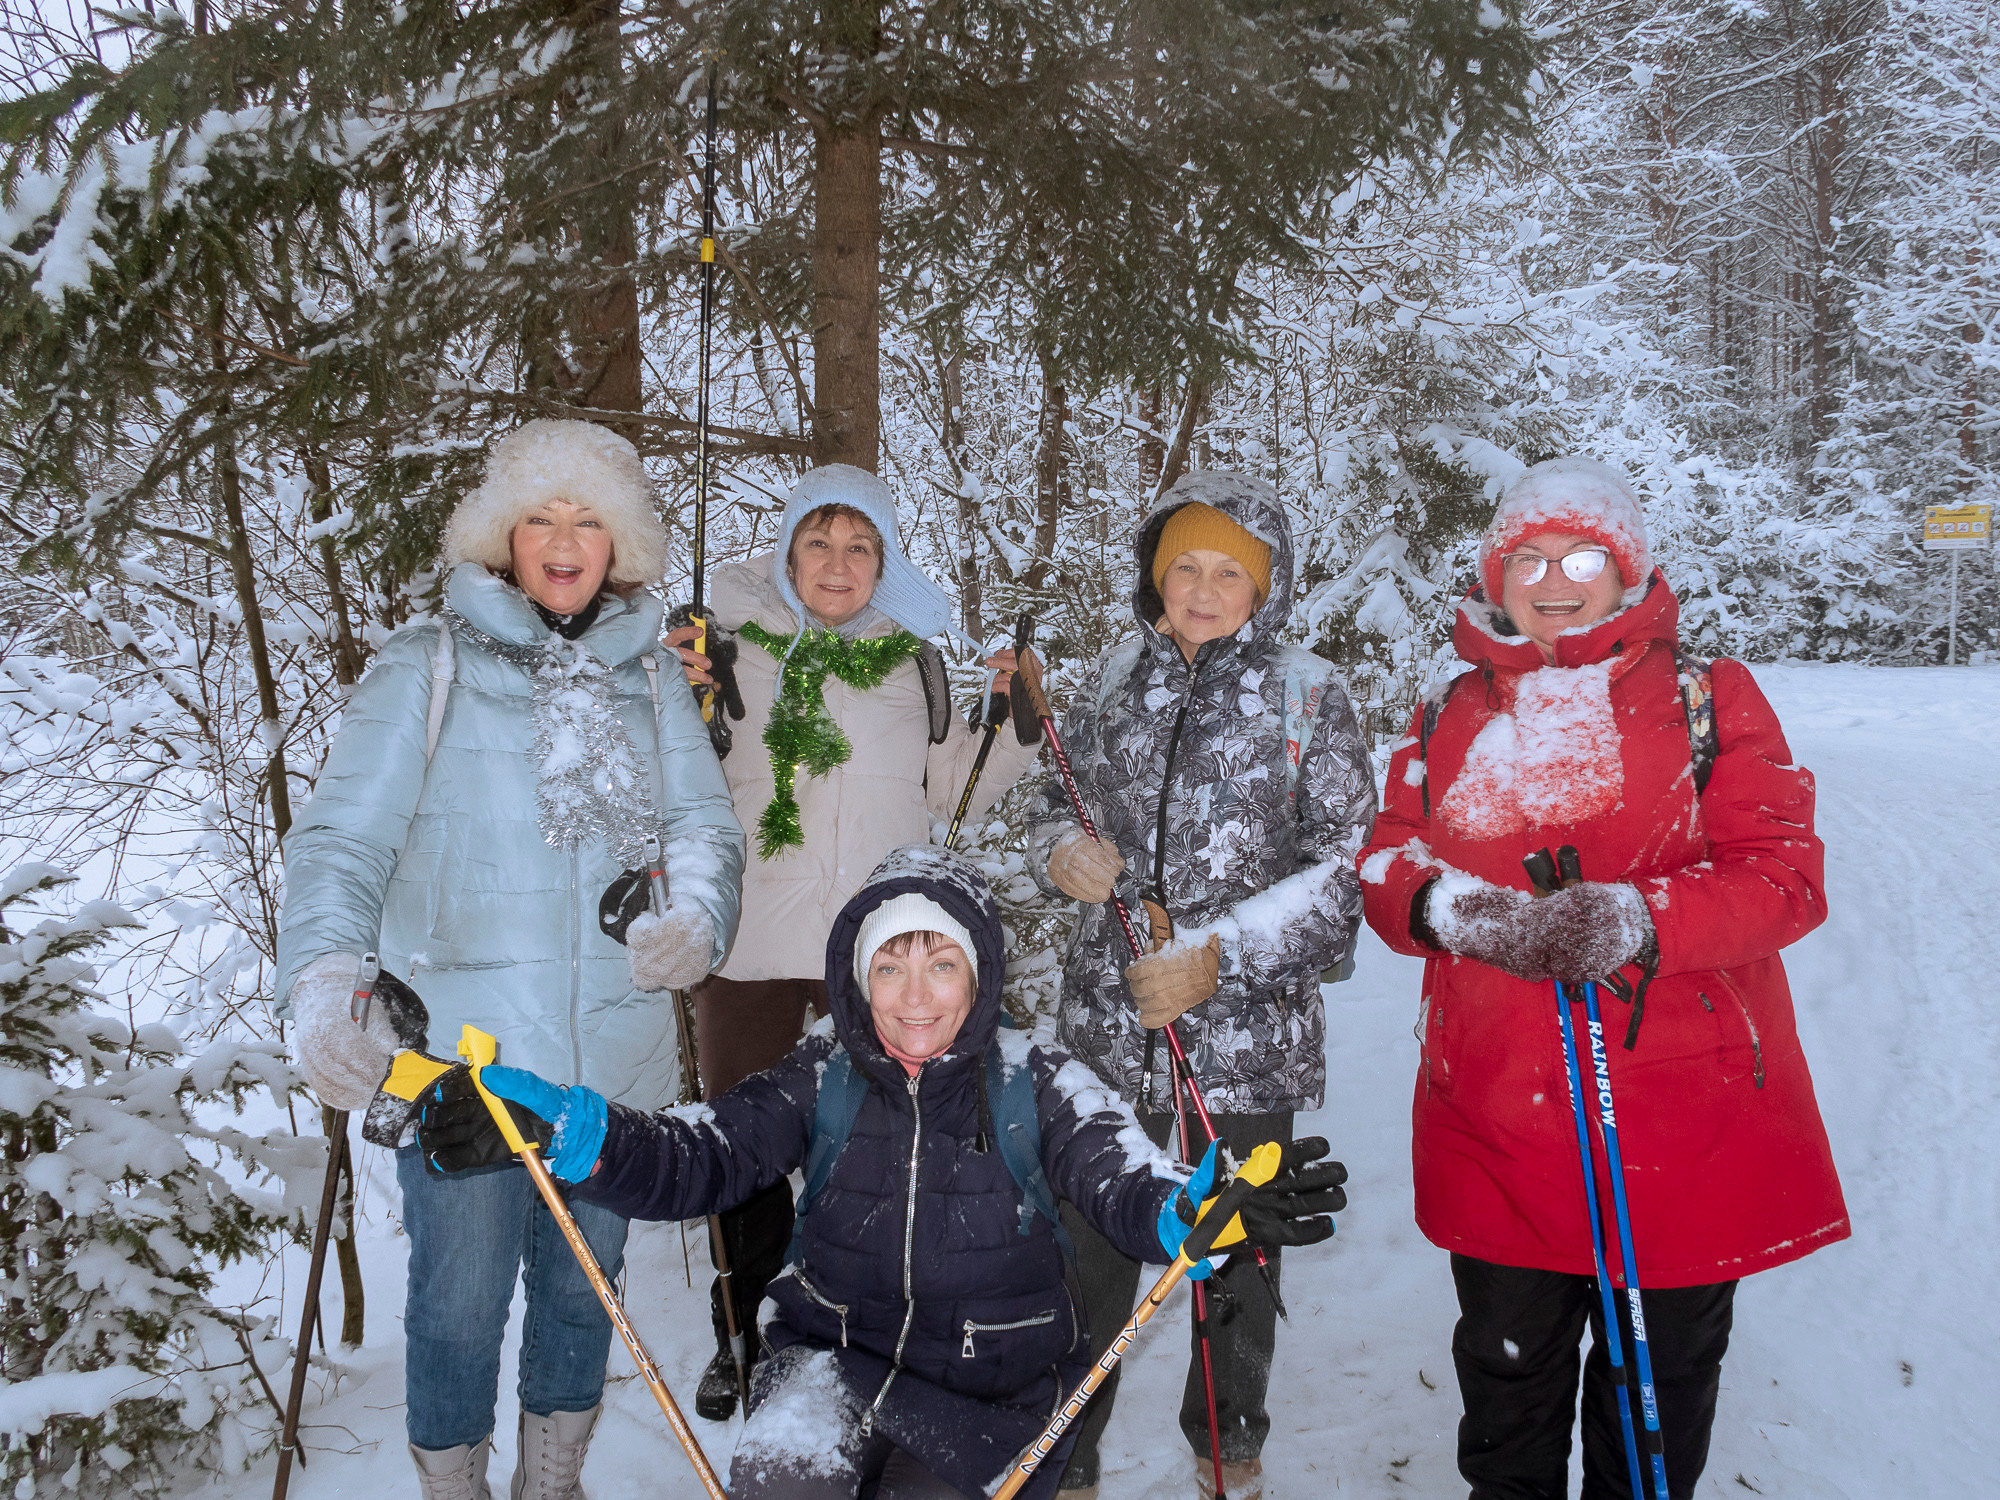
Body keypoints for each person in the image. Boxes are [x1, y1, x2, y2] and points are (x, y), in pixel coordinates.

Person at [412, 845, 1349, 1500]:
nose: (913, 997)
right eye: (890, 965)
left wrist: (1200, 1208)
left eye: (940, 963)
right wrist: (559, 1129)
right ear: (857, 980)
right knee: (784, 1481)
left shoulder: (1041, 1079)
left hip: (992, 1394)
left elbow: (1128, 1183)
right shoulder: (820, 1072)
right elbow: (694, 1157)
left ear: (979, 976)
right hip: (829, 1367)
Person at [1356, 457, 1849, 1500]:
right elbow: (1385, 860)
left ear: (1624, 569)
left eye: (1579, 555)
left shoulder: (1705, 696)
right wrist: (1457, 912)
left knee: (1652, 1393)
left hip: (1675, 1118)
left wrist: (1637, 916)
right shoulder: (1446, 709)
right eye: (1522, 557)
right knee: (1506, 1389)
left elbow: (1783, 878)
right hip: (1495, 1110)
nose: (1549, 579)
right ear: (1494, 575)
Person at [276, 419, 746, 1500]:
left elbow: (701, 834)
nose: (565, 539)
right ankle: (455, 1488)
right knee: (456, 1308)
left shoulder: (652, 679)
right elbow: (344, 842)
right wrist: (322, 982)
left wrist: (695, 916)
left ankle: (552, 1483)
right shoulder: (424, 663)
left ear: (619, 541)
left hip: (607, 1071)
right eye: (541, 515)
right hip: (462, 1068)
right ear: (502, 535)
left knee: (586, 1295)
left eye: (589, 519)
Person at [1025, 471, 1379, 1500]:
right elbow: (1057, 793)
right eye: (1184, 564)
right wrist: (1061, 851)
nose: (1203, 585)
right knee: (1089, 1250)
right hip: (1108, 1021)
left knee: (1234, 1258)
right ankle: (1069, 1455)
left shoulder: (1310, 692)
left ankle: (1228, 1450)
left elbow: (1342, 868)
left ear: (1262, 588)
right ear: (1155, 572)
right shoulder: (1111, 677)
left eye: (1229, 569)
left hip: (1245, 1037)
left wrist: (1217, 957)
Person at [664, 463, 1042, 1417]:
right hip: (746, 936)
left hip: (869, 943)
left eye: (860, 547)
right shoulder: (728, 642)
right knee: (741, 1152)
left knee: (869, 1145)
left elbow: (950, 790)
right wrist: (676, 686)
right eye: (819, 544)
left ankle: (853, 1324)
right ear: (788, 553)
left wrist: (1017, 722)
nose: (838, 564)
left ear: (884, 562)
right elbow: (673, 762)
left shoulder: (912, 660)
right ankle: (743, 1331)